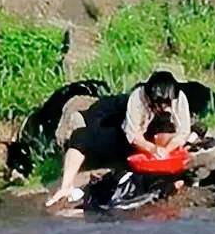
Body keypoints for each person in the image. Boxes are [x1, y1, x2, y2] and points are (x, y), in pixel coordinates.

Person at [45, 71, 191, 207]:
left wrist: (166, 150)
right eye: (159, 104)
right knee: (81, 137)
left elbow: (183, 132)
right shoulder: (138, 97)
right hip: (127, 138)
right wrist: (152, 149)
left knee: (166, 125)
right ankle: (65, 187)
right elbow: (132, 135)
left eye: (167, 103)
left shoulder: (179, 98)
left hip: (158, 140)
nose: (163, 106)